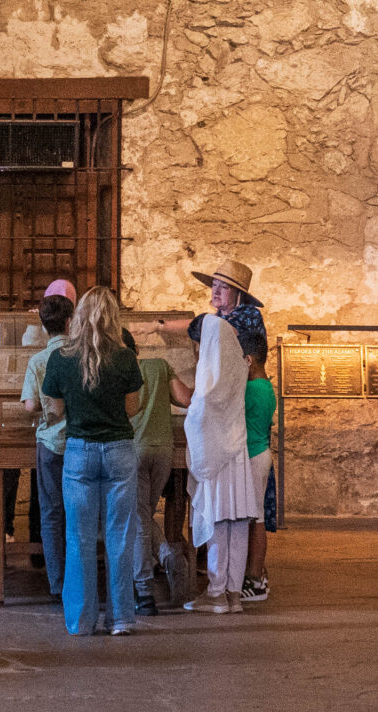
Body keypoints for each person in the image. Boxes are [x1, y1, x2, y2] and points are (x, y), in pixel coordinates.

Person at [41, 287, 144, 636]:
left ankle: (81, 620)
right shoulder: (126, 358)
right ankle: (121, 618)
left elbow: (55, 409)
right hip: (118, 450)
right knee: (120, 536)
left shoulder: (60, 358)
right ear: (114, 318)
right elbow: (132, 408)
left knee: (79, 538)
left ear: (78, 317)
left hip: (79, 451)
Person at [176, 260, 263, 613]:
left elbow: (200, 409)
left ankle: (216, 593)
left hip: (216, 451)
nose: (215, 291)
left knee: (217, 517)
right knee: (237, 519)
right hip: (237, 446)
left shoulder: (214, 367)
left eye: (222, 286)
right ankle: (233, 595)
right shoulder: (238, 361)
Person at [16, 292, 75, 597]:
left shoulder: (38, 361)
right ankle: (80, 578)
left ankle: (57, 582)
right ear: (70, 322)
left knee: (51, 513)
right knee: (79, 511)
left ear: (42, 326)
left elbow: (29, 406)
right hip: (79, 441)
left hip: (50, 442)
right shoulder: (81, 355)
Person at [128, 329, 187, 613]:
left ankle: (145, 592)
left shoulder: (120, 371)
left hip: (134, 449)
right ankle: (168, 555)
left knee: (139, 521)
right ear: (137, 349)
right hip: (164, 449)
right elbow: (185, 398)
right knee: (143, 515)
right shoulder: (160, 366)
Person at [242, 348, 278, 601]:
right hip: (260, 452)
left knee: (255, 519)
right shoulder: (266, 386)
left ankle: (254, 579)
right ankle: (256, 574)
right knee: (256, 517)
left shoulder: (251, 389)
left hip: (253, 455)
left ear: (249, 360)